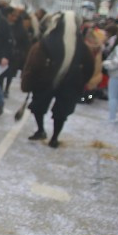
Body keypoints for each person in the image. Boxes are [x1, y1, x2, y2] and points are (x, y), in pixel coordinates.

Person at [20, 11, 94, 148]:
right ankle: (54, 137)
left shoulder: (45, 43)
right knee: (59, 112)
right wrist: (81, 81)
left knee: (39, 106)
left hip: (46, 80)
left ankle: (41, 130)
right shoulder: (82, 46)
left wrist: (29, 81)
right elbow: (89, 66)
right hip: (69, 83)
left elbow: (33, 63)